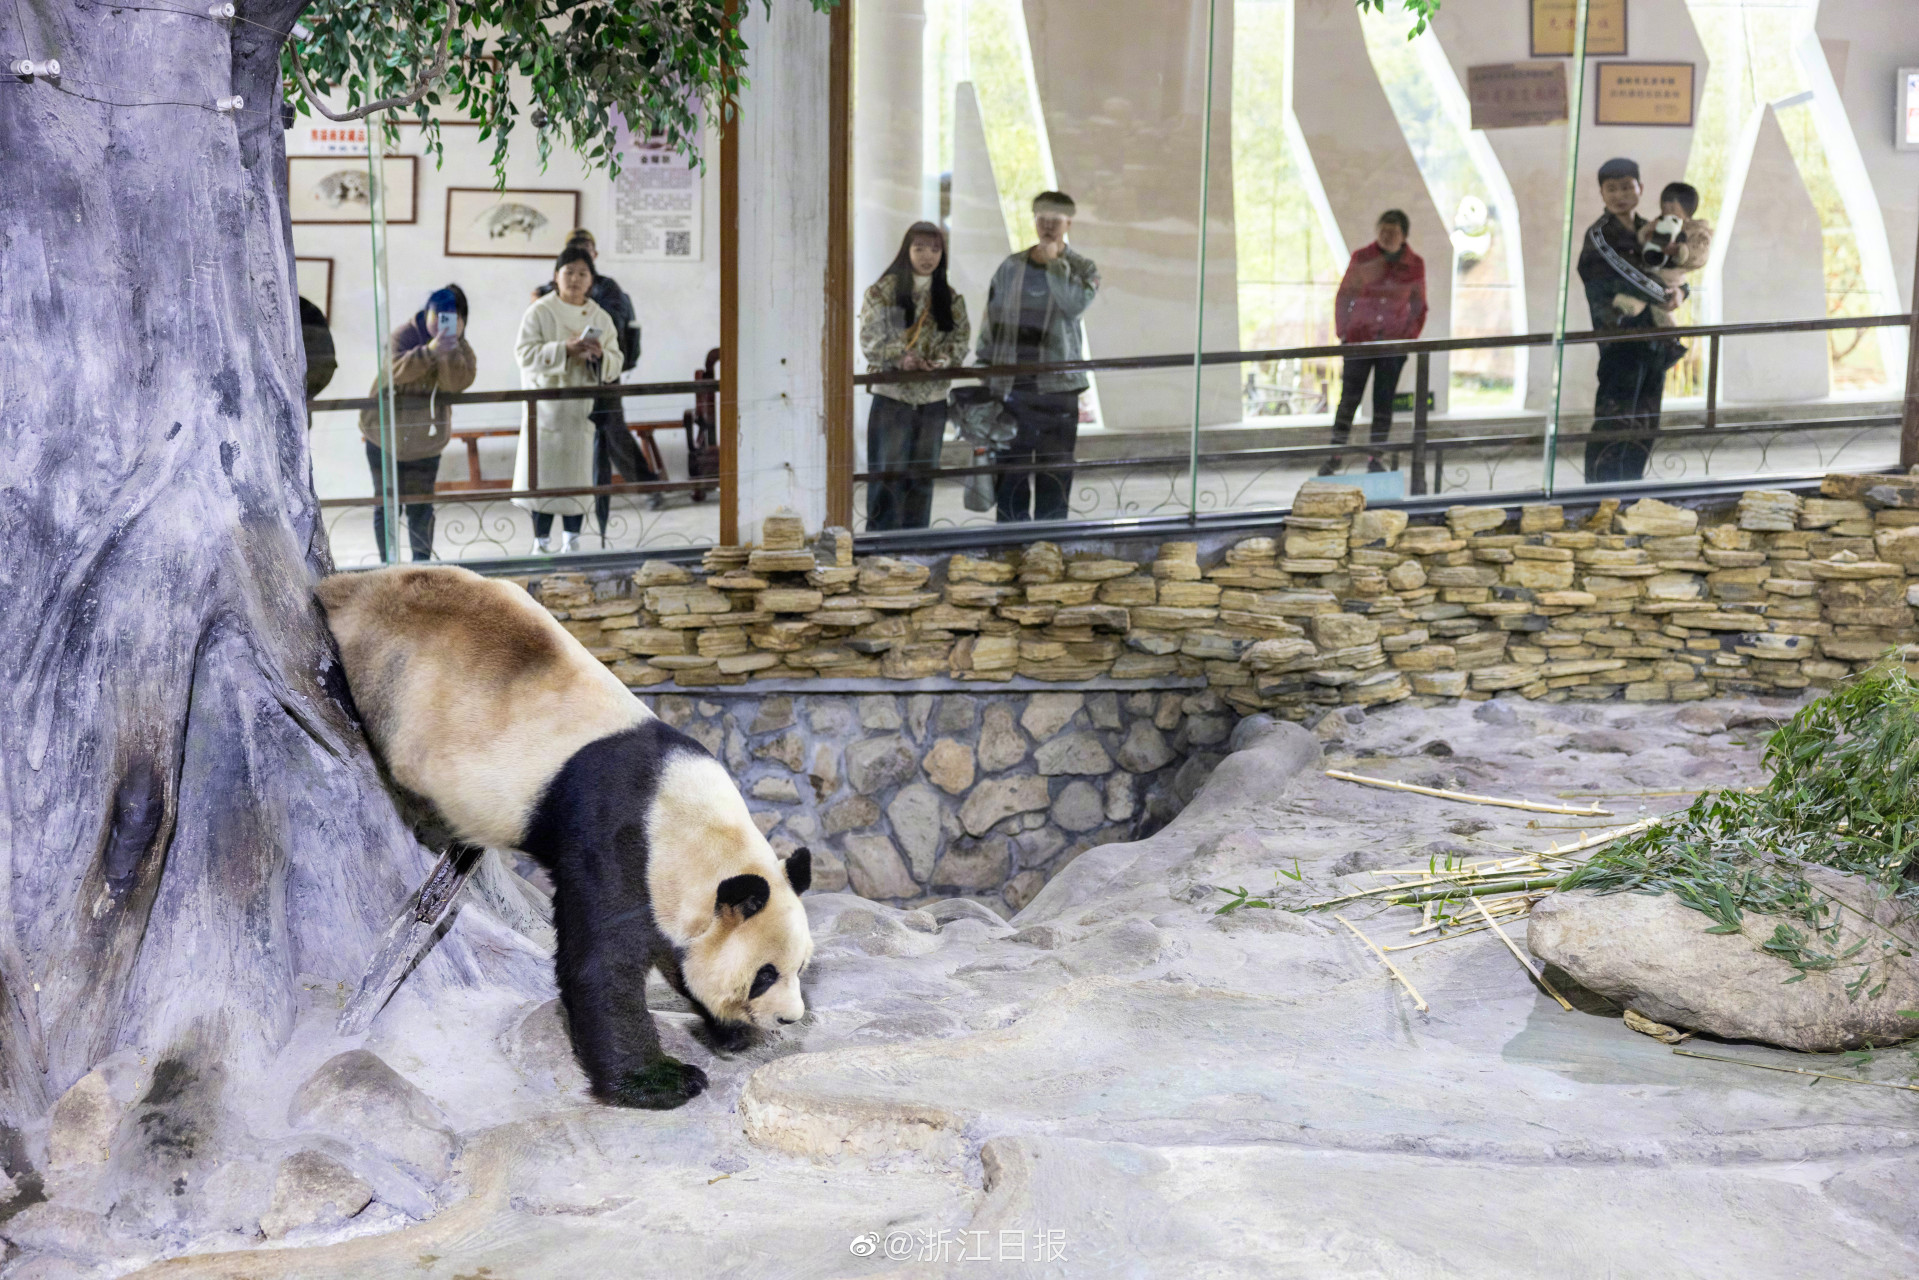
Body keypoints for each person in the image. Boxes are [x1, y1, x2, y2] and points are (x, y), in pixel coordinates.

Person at [976, 191, 1100, 522]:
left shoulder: (1083, 268)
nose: (1047, 224)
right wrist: (983, 369)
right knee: (1010, 474)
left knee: (1054, 472)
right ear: (1034, 220)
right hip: (1012, 386)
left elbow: (1073, 306)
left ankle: (1050, 545)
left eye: (1055, 218)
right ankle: (1011, 545)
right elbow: (991, 318)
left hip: (1059, 388)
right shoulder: (1011, 267)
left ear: (1068, 222)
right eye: (1041, 216)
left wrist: (1056, 266)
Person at [533, 229, 651, 527]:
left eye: (584, 266)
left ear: (594, 259)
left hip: (602, 373)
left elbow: (612, 322)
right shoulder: (547, 291)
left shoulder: (608, 288)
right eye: (570, 267)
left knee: (613, 431)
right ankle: (576, 500)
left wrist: (584, 332)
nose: (575, 279)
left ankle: (647, 487)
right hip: (564, 377)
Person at [859, 221, 971, 530]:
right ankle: (881, 550)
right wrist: (901, 358)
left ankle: (917, 545)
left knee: (923, 480)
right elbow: (870, 338)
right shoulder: (883, 292)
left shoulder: (948, 296)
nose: (927, 256)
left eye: (935, 249)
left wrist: (944, 359)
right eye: (919, 248)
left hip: (933, 401)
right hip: (893, 399)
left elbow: (960, 339)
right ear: (906, 249)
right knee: (887, 479)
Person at [1577, 157, 1680, 484]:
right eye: (1612, 189)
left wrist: (1682, 292)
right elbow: (1625, 276)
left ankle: (1631, 490)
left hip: (1655, 340)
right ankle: (1598, 495)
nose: (1620, 194)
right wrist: (1664, 294)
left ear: (1640, 189)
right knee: (1614, 421)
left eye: (1627, 187)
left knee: (1646, 420)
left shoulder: (1654, 230)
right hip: (1620, 340)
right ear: (1602, 193)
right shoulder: (1599, 236)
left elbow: (1672, 273)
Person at [515, 247, 623, 553]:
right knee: (543, 479)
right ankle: (541, 541)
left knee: (576, 477)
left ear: (591, 281)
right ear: (556, 276)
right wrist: (564, 349)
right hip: (546, 410)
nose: (575, 279)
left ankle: (572, 540)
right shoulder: (539, 311)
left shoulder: (599, 316)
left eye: (582, 274)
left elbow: (616, 359)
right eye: (569, 272)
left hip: (579, 411)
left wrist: (599, 356)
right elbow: (523, 355)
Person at [358, 285, 476, 562]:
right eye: (438, 315)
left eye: (452, 317)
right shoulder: (404, 334)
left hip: (426, 442)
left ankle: (421, 567)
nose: (442, 322)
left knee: (421, 507)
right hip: (384, 437)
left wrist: (448, 351)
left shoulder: (460, 348)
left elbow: (456, 384)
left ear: (462, 320)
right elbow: (395, 371)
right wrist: (431, 351)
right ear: (427, 312)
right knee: (386, 505)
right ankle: (388, 565)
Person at [1323, 209, 1427, 476]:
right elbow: (1344, 296)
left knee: (1384, 402)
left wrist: (1408, 338)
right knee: (1349, 398)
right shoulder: (1362, 258)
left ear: (1404, 236)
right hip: (1359, 341)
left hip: (1393, 346)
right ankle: (1334, 454)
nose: (1387, 236)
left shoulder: (1414, 264)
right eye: (1383, 231)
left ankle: (1375, 458)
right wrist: (1343, 333)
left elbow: (1419, 306)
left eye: (1393, 233)